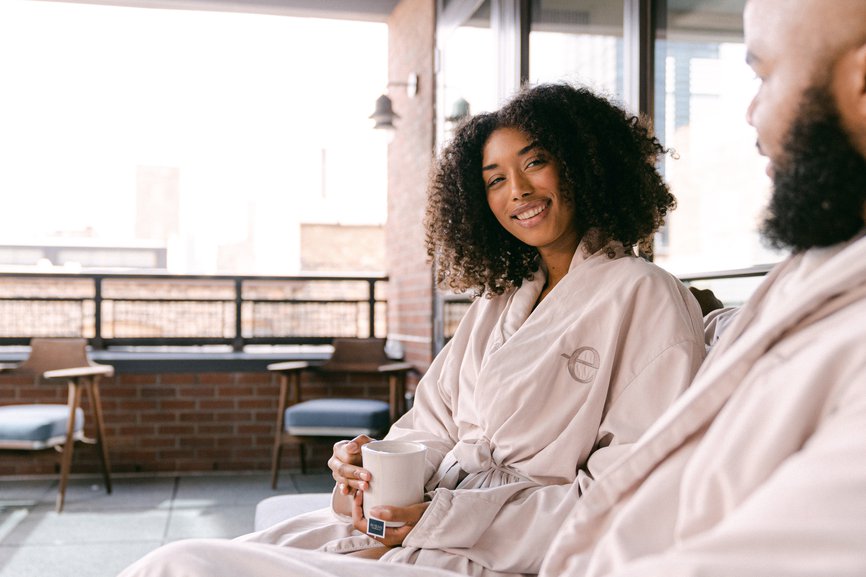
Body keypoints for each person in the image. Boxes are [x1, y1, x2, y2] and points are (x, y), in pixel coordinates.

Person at [118, 84, 706, 577]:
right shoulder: (497, 303)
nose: (517, 191)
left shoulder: (644, 295)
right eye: (494, 178)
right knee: (163, 566)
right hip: (420, 525)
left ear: (582, 164)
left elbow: (635, 497)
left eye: (533, 162)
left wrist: (447, 518)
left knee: (182, 565)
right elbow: (430, 427)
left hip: (500, 552)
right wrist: (371, 465)